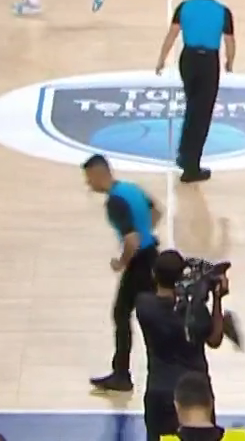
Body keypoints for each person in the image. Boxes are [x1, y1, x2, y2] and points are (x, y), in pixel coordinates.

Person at [84, 153, 162, 395]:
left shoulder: (114, 202)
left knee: (123, 314)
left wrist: (121, 262)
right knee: (148, 315)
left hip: (139, 262)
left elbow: (132, 239)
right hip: (152, 256)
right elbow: (156, 211)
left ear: (99, 174)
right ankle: (139, 371)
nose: (88, 184)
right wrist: (145, 232)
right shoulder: (130, 188)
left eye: (89, 178)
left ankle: (122, 375)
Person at [132, 249, 228, 438]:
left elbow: (157, 293)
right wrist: (216, 298)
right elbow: (215, 339)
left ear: (154, 274)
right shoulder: (194, 311)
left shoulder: (143, 305)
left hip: (159, 391)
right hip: (196, 392)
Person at [154, 0, 235, 183]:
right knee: (201, 114)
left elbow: (172, 35)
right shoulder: (223, 12)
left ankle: (184, 155)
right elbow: (229, 42)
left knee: (193, 108)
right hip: (208, 63)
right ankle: (191, 167)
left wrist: (161, 59)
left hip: (188, 60)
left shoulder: (185, 6)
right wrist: (229, 61)